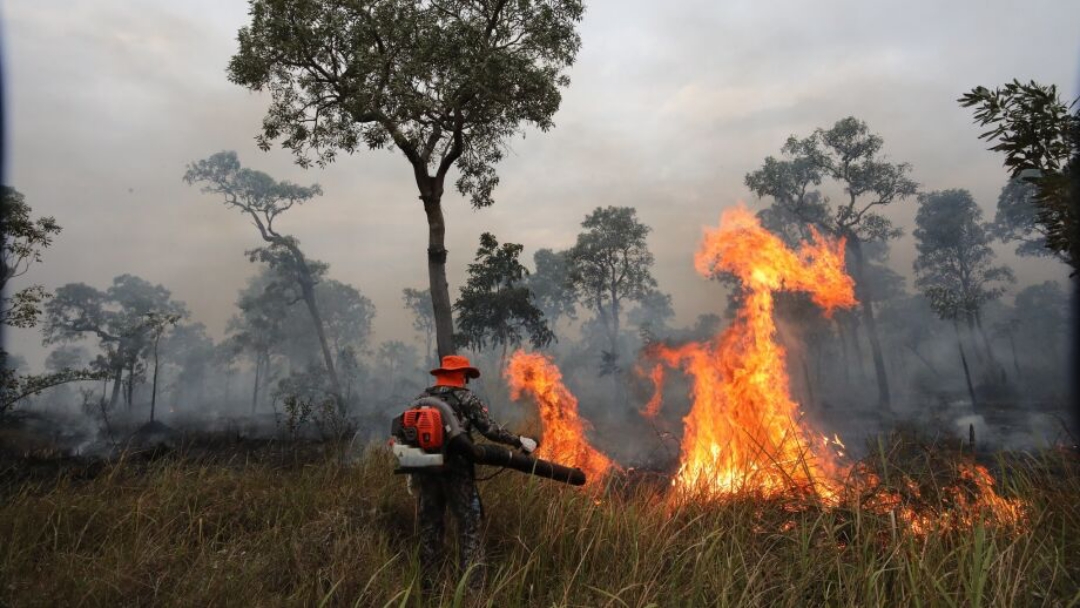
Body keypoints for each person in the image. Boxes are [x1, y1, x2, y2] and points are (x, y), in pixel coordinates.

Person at [413, 354, 538, 589]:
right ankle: (473, 589)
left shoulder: (422, 398)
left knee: (430, 525)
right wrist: (518, 440)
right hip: (457, 469)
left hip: (426, 468)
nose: (467, 380)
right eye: (466, 375)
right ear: (459, 374)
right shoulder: (465, 398)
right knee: (469, 525)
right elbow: (490, 430)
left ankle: (429, 586)